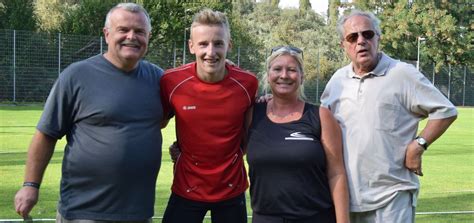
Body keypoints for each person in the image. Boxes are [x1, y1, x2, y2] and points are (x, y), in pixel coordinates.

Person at [14, 3, 164, 222]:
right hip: (83, 212)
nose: (131, 36)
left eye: (139, 31)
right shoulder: (76, 76)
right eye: (123, 29)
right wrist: (30, 185)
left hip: (138, 213)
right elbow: (46, 134)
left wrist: (224, 69)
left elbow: (194, 91)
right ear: (107, 34)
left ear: (148, 36)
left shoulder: (160, 80)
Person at [321, 9, 458, 223]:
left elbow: (445, 111)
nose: (361, 41)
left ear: (378, 38)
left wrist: (418, 144)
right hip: (348, 197)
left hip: (392, 196)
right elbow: (322, 125)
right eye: (352, 37)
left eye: (368, 34)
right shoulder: (337, 80)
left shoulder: (402, 73)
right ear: (343, 45)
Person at [159, 9, 258, 223]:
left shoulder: (248, 83)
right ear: (191, 46)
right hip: (187, 187)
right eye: (203, 44)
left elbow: (250, 134)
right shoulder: (171, 82)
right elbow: (157, 122)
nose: (210, 52)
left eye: (218, 43)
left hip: (231, 189)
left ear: (229, 45)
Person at [246, 46, 349, 223]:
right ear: (268, 75)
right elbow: (229, 148)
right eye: (277, 69)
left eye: (292, 70)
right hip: (265, 218)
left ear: (302, 77)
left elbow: (336, 173)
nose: (284, 75)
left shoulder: (321, 116)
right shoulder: (252, 114)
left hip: (315, 217)